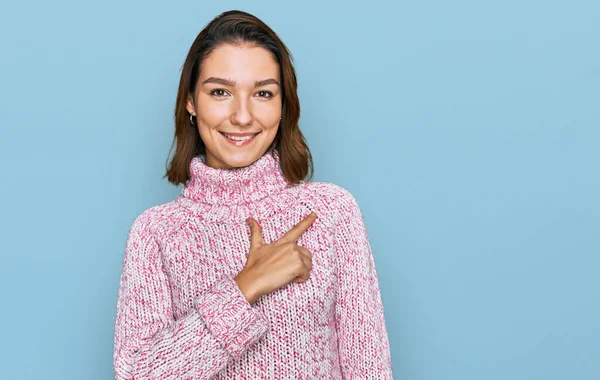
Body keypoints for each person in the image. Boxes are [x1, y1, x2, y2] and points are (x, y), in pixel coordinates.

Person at [112, 9, 393, 379]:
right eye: (220, 92)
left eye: (262, 93)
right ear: (191, 102)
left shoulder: (332, 211)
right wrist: (246, 286)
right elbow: (136, 374)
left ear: (283, 104)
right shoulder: (157, 232)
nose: (242, 116)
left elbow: (369, 368)